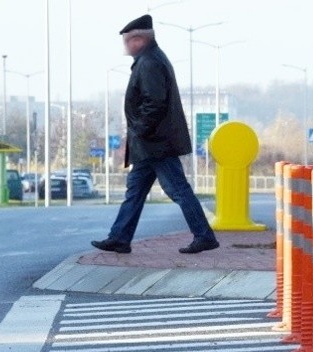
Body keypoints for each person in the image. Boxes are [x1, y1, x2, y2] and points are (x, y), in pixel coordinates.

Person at [91, 14, 219, 254]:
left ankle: (204, 236)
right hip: (150, 144)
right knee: (135, 191)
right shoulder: (149, 59)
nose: (125, 46)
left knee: (178, 189)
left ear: (139, 40)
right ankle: (119, 238)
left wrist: (140, 129)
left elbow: (155, 102)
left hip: (156, 144)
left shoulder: (149, 62)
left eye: (128, 40)